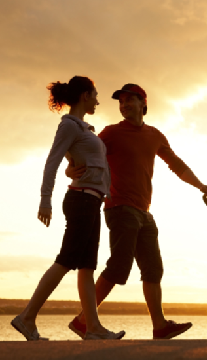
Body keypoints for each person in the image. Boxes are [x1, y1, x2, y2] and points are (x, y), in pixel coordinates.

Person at [66, 83, 207, 340]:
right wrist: (71, 168)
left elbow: (176, 164)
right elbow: (83, 149)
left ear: (143, 103)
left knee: (154, 269)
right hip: (120, 207)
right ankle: (83, 321)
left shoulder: (154, 135)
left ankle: (160, 327)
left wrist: (200, 185)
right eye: (121, 102)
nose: (124, 105)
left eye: (129, 100)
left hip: (144, 212)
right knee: (119, 267)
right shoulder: (111, 133)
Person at [11, 76, 125, 341]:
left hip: (92, 200)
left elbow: (74, 162)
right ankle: (27, 317)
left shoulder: (84, 129)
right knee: (65, 261)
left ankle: (92, 327)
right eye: (95, 94)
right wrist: (44, 199)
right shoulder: (69, 126)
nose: (97, 99)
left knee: (87, 267)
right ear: (85, 95)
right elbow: (52, 161)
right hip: (81, 201)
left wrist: (72, 168)